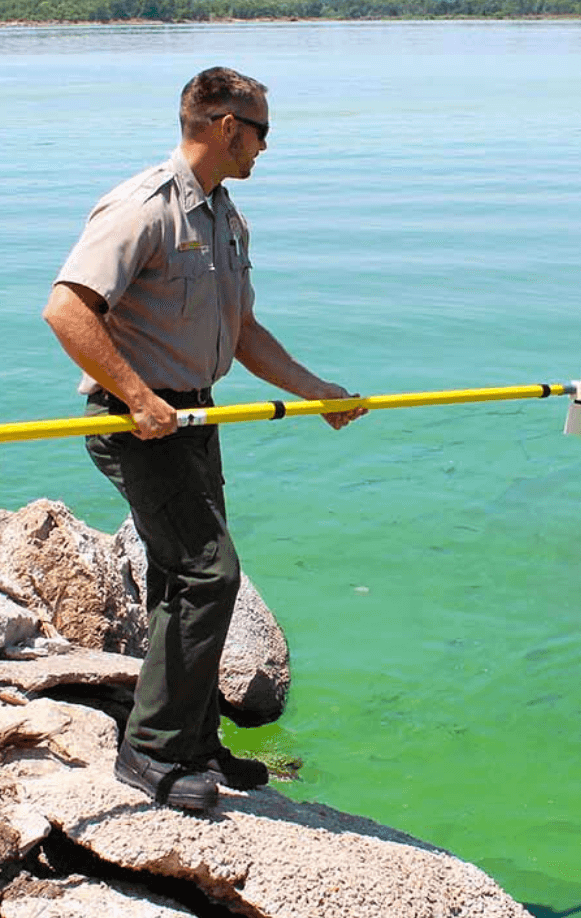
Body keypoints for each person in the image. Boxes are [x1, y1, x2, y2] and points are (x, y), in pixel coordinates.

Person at [42, 66, 364, 813]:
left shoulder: (225, 216)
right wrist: (138, 397)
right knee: (208, 575)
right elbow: (66, 310)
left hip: (194, 419)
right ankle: (151, 755)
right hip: (136, 425)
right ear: (224, 126)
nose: (265, 147)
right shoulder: (143, 208)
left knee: (176, 581)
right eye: (261, 132)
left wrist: (316, 392)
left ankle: (193, 739)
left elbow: (242, 329)